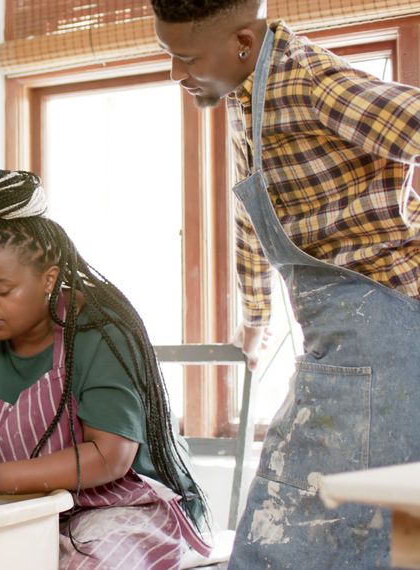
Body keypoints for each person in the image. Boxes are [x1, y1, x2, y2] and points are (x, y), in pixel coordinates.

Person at [152, 0, 420, 566]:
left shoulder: (310, 82)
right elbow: (254, 221)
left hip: (387, 336)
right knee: (281, 520)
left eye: (185, 58)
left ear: (242, 43)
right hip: (340, 341)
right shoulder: (247, 98)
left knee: (310, 533)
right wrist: (256, 321)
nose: (176, 72)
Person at [0, 170, 211, 568]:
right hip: (13, 508)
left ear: (49, 279)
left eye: (3, 290)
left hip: (115, 508)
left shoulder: (101, 332)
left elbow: (111, 456)